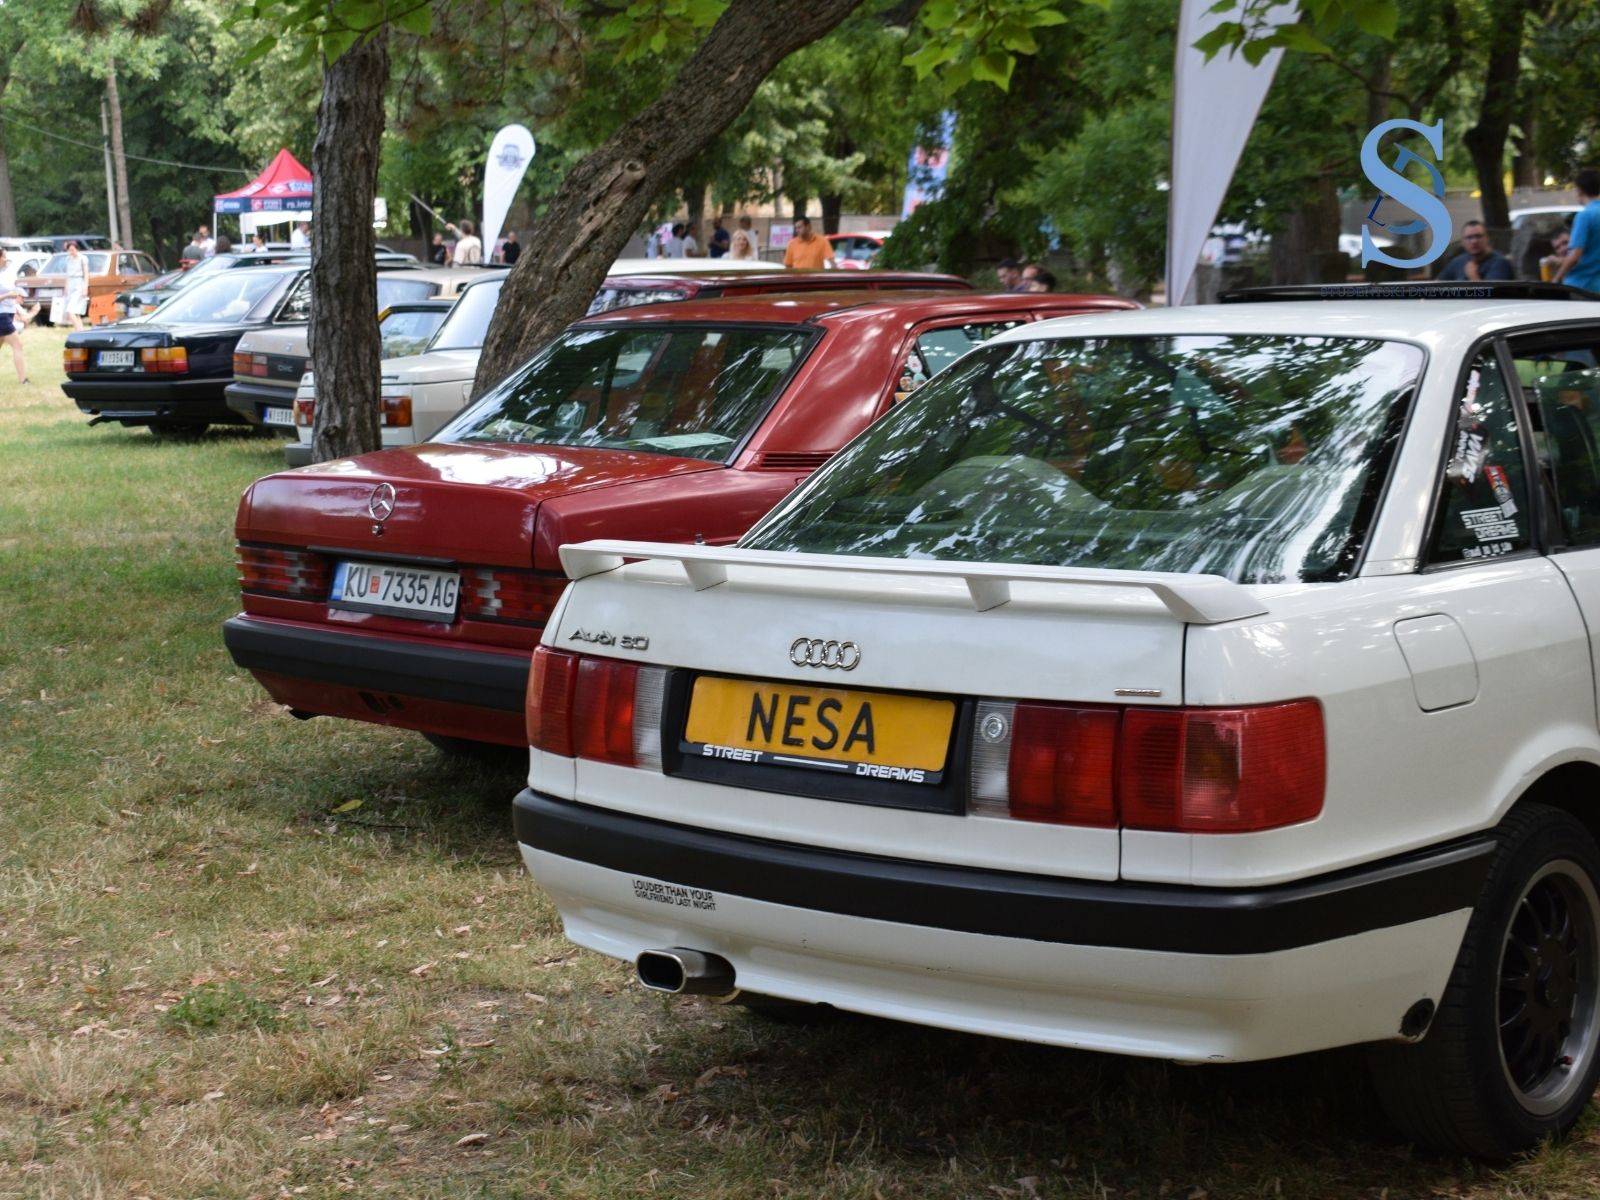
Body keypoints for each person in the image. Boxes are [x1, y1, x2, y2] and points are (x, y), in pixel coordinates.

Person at [1555, 170, 1600, 292]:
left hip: (1582, 284)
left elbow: (1575, 255)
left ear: (1580, 190)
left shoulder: (1584, 216)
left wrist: (1556, 279)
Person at [1436, 220, 1513, 282]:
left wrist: (1473, 277)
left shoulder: (1500, 262)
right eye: (1469, 237)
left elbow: (1492, 294)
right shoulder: (1458, 261)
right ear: (1462, 242)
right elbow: (1437, 284)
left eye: (1478, 236)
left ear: (1487, 238)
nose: (1474, 241)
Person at [0, 249, 29, 383]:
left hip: (8, 312)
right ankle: (23, 380)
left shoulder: (5, 273)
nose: (6, 259)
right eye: (4, 256)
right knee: (18, 345)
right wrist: (8, 295)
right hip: (1, 315)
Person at [61, 241, 89, 331]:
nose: (71, 252)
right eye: (69, 250)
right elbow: (67, 274)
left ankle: (77, 330)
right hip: (70, 283)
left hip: (79, 283)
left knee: (71, 310)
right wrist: (66, 287)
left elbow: (86, 274)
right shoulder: (68, 259)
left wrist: (85, 287)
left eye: (73, 250)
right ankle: (81, 330)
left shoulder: (82, 258)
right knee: (76, 312)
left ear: (76, 249)